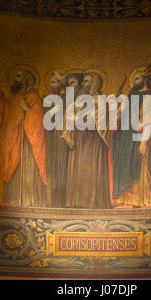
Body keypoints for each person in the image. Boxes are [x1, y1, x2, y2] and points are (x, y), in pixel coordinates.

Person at [0, 69, 49, 207]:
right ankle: (13, 200)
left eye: (19, 76)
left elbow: (38, 118)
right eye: (15, 77)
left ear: (26, 79)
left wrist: (27, 111)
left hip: (28, 142)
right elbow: (7, 110)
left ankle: (31, 201)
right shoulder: (13, 97)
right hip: (14, 139)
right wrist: (0, 97)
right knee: (13, 167)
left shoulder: (33, 95)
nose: (16, 80)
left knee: (28, 168)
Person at [112, 68, 151, 207]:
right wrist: (118, 112)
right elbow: (121, 117)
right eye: (133, 79)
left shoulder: (149, 97)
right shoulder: (131, 97)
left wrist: (144, 142)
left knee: (136, 165)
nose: (134, 82)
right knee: (124, 163)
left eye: (137, 79)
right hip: (126, 137)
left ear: (146, 80)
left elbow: (150, 121)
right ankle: (125, 199)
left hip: (138, 137)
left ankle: (141, 200)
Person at [64, 72, 112, 209]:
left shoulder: (100, 101)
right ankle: (76, 201)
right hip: (79, 139)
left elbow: (100, 122)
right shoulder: (79, 101)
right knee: (78, 170)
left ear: (95, 83)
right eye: (84, 81)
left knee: (89, 170)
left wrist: (80, 118)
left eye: (87, 82)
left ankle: (90, 201)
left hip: (93, 141)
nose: (84, 85)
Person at [44, 71, 69, 208]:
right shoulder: (48, 98)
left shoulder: (67, 98)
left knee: (62, 165)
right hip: (51, 136)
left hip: (62, 136)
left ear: (61, 83)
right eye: (50, 81)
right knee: (52, 166)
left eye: (53, 82)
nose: (50, 84)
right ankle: (53, 199)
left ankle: (62, 200)